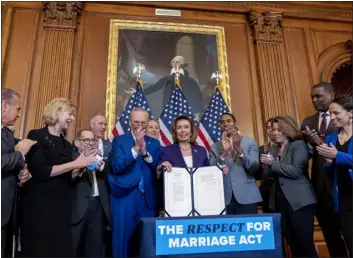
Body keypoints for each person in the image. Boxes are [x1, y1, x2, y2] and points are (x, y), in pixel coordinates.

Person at [19, 98, 96, 257]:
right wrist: (75, 163)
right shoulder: (36, 135)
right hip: (40, 206)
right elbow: (42, 172)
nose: (72, 119)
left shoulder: (66, 145)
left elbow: (69, 176)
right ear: (57, 112)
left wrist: (82, 164)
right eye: (70, 114)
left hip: (61, 206)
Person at [301, 82, 348, 257]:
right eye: (312, 97)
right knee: (332, 238)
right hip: (320, 187)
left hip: (343, 185)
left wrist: (321, 144)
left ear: (332, 94)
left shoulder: (343, 120)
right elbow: (304, 157)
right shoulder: (308, 122)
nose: (314, 100)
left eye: (318, 96)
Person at [261, 115, 317, 257]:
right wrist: (267, 165)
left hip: (300, 202)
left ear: (287, 129)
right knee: (294, 247)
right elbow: (268, 176)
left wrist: (273, 164)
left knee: (305, 246)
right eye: (273, 130)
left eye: (279, 130)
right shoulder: (273, 149)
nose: (275, 133)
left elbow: (295, 171)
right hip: (280, 204)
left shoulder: (298, 145)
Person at [109, 108, 161, 258]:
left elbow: (158, 168)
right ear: (130, 122)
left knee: (146, 244)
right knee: (122, 241)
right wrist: (136, 149)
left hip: (148, 198)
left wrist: (145, 153)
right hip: (125, 197)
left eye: (143, 123)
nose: (139, 126)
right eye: (136, 122)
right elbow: (116, 166)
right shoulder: (120, 140)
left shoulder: (155, 143)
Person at [1, 88, 36, 257]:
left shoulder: (7, 133)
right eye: (18, 109)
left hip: (8, 210)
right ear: (4, 106)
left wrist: (21, 175)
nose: (19, 115)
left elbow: (10, 166)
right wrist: (20, 154)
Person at [316, 96, 352, 257]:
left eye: (337, 113)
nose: (333, 117)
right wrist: (329, 163)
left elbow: (340, 157)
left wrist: (337, 156)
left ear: (350, 113)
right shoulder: (330, 138)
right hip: (343, 198)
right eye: (331, 114)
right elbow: (331, 173)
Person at [209, 113, 262, 215]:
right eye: (222, 122)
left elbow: (254, 167)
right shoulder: (214, 147)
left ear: (235, 124)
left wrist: (239, 150)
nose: (225, 124)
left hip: (247, 196)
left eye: (228, 121)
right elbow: (212, 173)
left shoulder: (249, 141)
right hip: (224, 199)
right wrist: (223, 153)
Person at [71, 129, 112, 257]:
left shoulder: (100, 160)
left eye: (93, 140)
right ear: (77, 143)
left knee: (95, 248)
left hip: (99, 206)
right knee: (74, 247)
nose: (90, 143)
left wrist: (102, 165)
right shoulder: (70, 159)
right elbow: (70, 179)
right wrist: (83, 164)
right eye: (86, 140)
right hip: (79, 208)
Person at [89, 112, 112, 256]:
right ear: (92, 125)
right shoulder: (80, 142)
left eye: (105, 124)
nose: (103, 127)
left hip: (105, 196)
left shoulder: (110, 146)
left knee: (101, 237)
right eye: (100, 123)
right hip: (85, 195)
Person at [258, 118, 280, 213]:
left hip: (284, 192)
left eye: (273, 127)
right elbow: (257, 174)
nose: (271, 130)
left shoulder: (287, 146)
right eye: (268, 128)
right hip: (267, 194)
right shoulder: (261, 149)